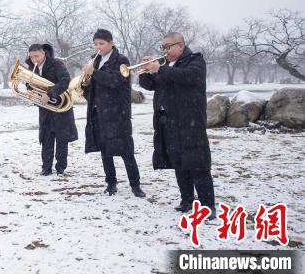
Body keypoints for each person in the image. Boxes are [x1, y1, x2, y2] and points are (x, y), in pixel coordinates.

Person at [139, 32, 216, 218]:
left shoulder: (195, 61)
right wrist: (144, 71)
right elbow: (151, 86)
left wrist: (160, 69)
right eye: (162, 47)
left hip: (191, 124)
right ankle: (187, 201)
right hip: (169, 124)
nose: (164, 50)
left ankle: (208, 207)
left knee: (198, 165)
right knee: (179, 164)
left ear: (180, 46)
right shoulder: (166, 65)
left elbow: (188, 77)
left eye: (168, 46)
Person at [82, 29, 146, 197]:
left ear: (111, 43)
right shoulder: (93, 61)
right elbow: (90, 88)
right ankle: (111, 183)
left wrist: (94, 73)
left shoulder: (121, 60)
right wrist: (86, 82)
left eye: (101, 44)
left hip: (118, 113)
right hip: (98, 112)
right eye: (95, 44)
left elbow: (114, 81)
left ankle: (135, 185)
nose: (98, 47)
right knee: (104, 150)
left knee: (126, 151)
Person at [25, 43, 78, 176]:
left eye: (36, 56)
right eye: (31, 57)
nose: (34, 60)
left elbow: (66, 81)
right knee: (46, 138)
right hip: (45, 109)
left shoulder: (57, 64)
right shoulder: (32, 68)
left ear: (43, 53)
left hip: (61, 107)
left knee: (61, 139)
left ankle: (60, 167)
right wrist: (30, 88)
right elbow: (29, 85)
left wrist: (49, 94)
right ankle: (46, 167)